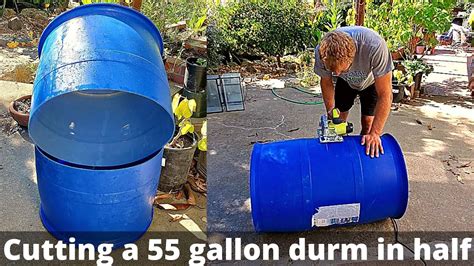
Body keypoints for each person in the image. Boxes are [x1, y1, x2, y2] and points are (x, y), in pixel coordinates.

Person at [314, 26, 393, 158]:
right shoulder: (322, 51)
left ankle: (363, 158)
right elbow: (326, 82)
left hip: (371, 81)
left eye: (342, 70)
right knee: (339, 119)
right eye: (333, 71)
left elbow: (386, 94)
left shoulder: (375, 46)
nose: (337, 73)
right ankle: (340, 156)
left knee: (368, 123)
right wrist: (331, 110)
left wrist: (375, 134)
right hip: (345, 83)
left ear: (352, 57)